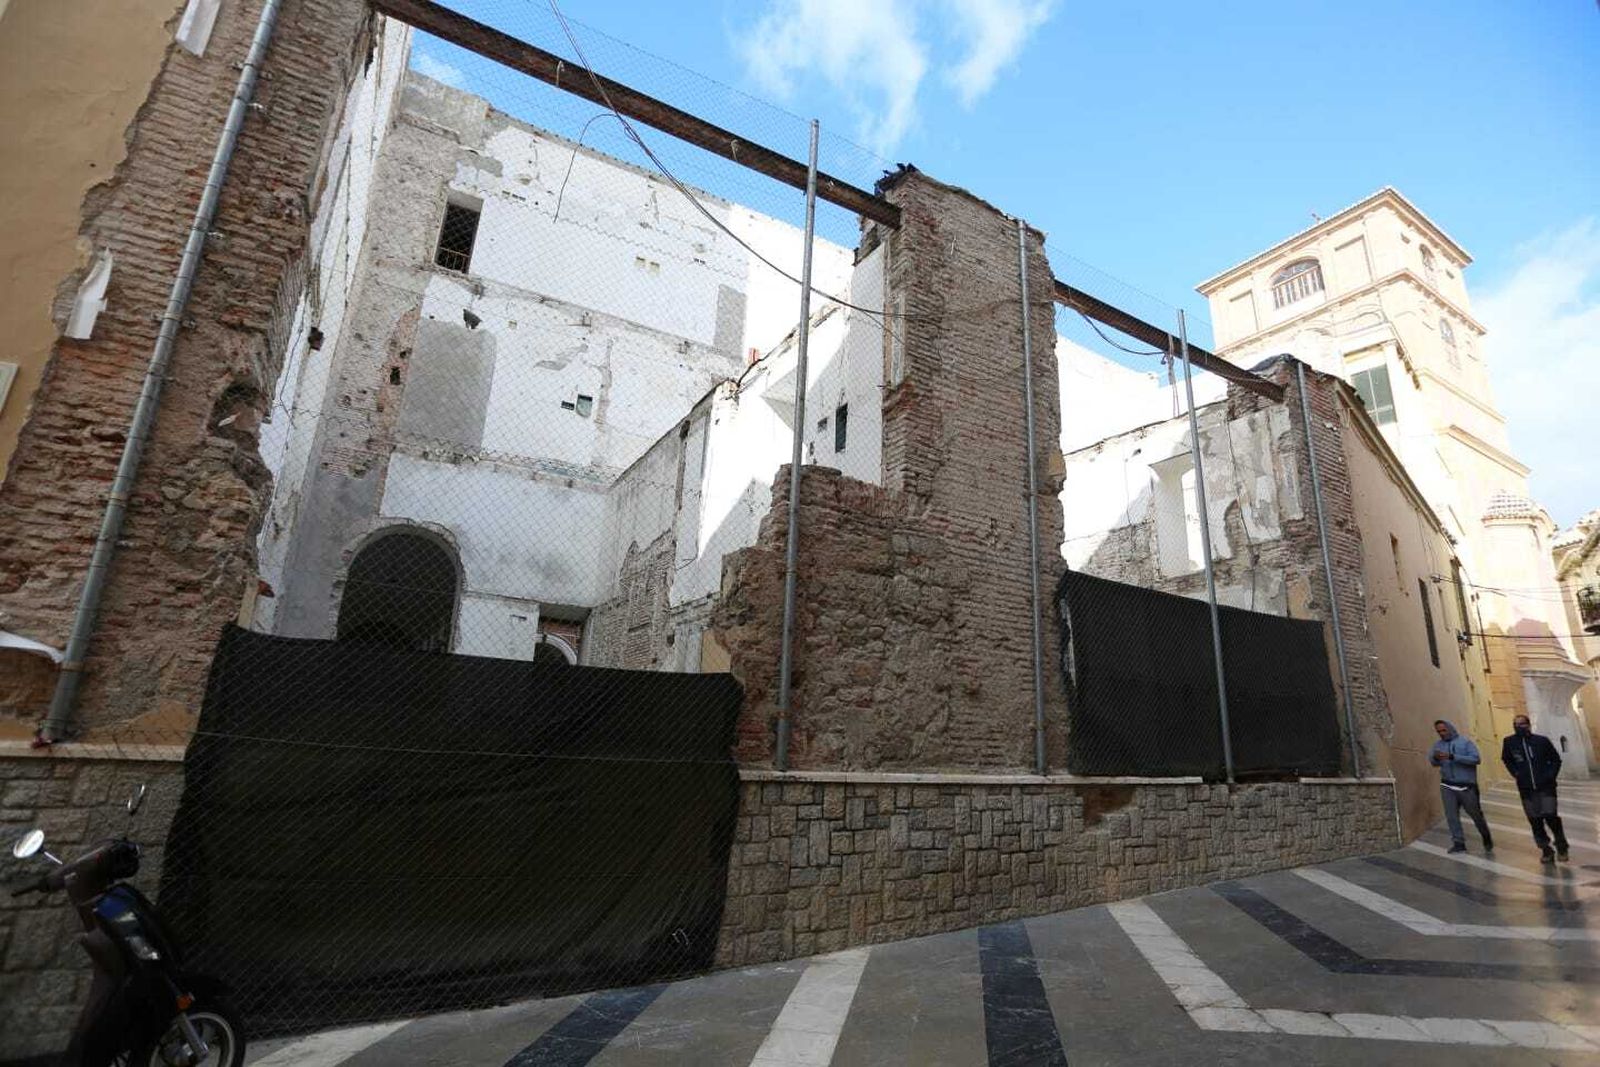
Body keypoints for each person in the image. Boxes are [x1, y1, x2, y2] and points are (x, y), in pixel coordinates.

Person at [1500, 714, 1569, 864]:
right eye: (1515, 724)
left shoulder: (1541, 741)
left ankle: (1562, 845)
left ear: (1528, 725)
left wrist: (1550, 776)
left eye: (1522, 724)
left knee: (1551, 816)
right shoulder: (1509, 742)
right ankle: (1546, 849)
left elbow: (1555, 760)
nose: (1519, 727)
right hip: (1526, 789)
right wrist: (1516, 773)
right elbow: (1506, 759)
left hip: (1546, 787)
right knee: (1535, 821)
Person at [1431, 719, 1493, 855]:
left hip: (1467, 786)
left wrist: (1453, 756)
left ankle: (1486, 836)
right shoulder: (1438, 745)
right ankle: (1458, 843)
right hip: (1447, 785)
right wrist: (1435, 758)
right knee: (1451, 816)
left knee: (1475, 815)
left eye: (1443, 730)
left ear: (1450, 728)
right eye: (1439, 731)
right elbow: (1433, 762)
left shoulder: (1465, 743)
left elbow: (1476, 759)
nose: (1441, 733)